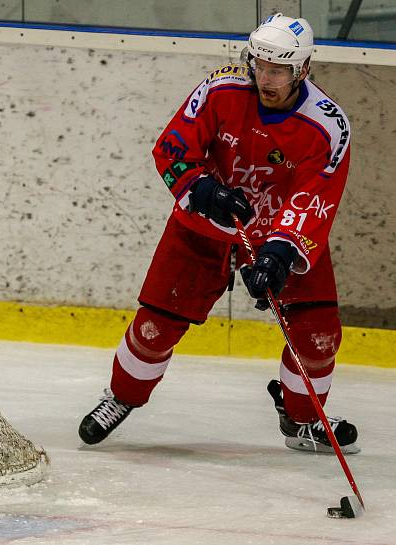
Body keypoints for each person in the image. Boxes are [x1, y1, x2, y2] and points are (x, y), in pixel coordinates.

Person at [79, 14, 358, 455]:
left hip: (276, 236)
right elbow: (173, 147)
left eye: (278, 70)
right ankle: (121, 397)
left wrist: (278, 255)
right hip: (202, 227)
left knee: (317, 333)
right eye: (259, 65)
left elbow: (313, 198)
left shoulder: (328, 125)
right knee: (155, 327)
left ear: (302, 70)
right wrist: (203, 189)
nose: (264, 77)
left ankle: (302, 420)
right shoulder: (221, 88)